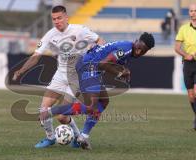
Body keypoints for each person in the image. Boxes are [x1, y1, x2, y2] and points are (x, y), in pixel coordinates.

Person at [40, 32, 155, 150]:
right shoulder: (126, 49)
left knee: (103, 102)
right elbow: (103, 63)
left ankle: (83, 136)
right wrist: (120, 73)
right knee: (91, 106)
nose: (139, 52)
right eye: (139, 48)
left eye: (143, 51)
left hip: (93, 67)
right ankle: (52, 111)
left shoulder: (129, 49)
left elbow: (106, 61)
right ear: (136, 41)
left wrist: (123, 70)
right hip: (88, 66)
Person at [12, 5, 105, 148]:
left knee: (62, 116)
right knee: (43, 110)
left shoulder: (80, 30)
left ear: (66, 17)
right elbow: (36, 56)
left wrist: (96, 58)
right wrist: (21, 70)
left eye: (59, 18)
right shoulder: (50, 35)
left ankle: (77, 136)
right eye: (54, 19)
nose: (57, 21)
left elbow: (100, 41)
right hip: (60, 75)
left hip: (76, 78)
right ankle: (50, 138)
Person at [175, 3, 196, 130]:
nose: (193, 13)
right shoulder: (183, 28)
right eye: (191, 11)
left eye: (195, 11)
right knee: (191, 95)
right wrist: (186, 55)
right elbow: (177, 48)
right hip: (188, 64)